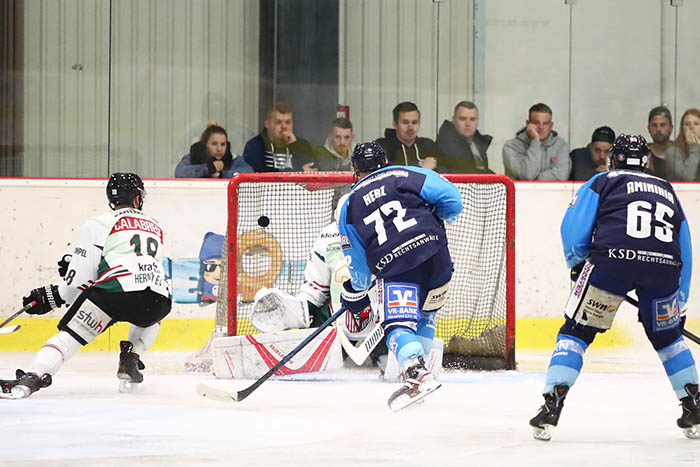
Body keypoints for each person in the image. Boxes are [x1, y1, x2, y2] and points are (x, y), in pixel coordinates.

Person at [529, 135, 700, 441]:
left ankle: (551, 406)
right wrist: (680, 302)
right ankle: (695, 406)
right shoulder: (667, 189)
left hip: (611, 263)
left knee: (576, 333)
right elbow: (684, 248)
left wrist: (578, 263)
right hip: (663, 270)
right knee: (669, 340)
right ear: (646, 161)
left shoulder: (603, 180)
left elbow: (573, 229)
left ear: (614, 159)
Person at [0, 173, 172, 399]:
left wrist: (52, 296)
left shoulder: (99, 223)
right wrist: (75, 263)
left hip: (116, 293)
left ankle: (33, 376)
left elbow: (78, 285)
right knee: (151, 301)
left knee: (69, 337)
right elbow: (133, 262)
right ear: (138, 198)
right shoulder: (155, 226)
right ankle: (131, 358)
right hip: (160, 299)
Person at [337, 142, 462, 411]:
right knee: (426, 315)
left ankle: (417, 374)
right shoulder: (407, 173)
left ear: (354, 170)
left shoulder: (349, 205)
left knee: (396, 325)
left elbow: (357, 261)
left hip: (396, 266)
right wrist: (437, 220)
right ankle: (423, 371)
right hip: (437, 256)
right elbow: (453, 199)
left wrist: (358, 288)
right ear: (385, 161)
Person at [502, 103, 570, 180]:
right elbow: (527, 175)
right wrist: (535, 141)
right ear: (528, 124)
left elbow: (561, 175)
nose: (541, 127)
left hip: (552, 192)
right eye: (536, 123)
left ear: (551, 126)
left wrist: (537, 180)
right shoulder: (511, 146)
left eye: (545, 123)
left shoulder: (561, 145)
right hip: (520, 192)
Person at [242, 102, 316, 172]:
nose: (284, 126)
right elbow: (259, 176)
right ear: (267, 124)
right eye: (278, 122)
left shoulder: (302, 145)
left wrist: (295, 146)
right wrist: (299, 172)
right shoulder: (255, 146)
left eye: (288, 122)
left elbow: (314, 170)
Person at [174, 122, 253, 178]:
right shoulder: (192, 158)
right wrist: (208, 169)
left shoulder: (234, 159)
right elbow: (180, 172)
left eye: (223, 144)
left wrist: (222, 175)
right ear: (205, 145)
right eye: (214, 144)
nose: (219, 149)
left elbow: (250, 173)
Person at [376, 102, 437, 170]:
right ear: (395, 124)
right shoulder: (382, 148)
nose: (410, 127)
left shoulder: (428, 146)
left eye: (414, 122)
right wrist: (422, 169)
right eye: (405, 122)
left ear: (419, 123)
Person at [436, 101, 493, 173]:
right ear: (453, 120)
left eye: (472, 119)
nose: (468, 124)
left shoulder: (477, 141)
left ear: (477, 120)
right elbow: (466, 171)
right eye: (462, 119)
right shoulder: (447, 143)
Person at [666, 108, 700, 181]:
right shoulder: (673, 152)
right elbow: (687, 178)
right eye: (687, 124)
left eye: (696, 123)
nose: (691, 127)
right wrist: (694, 147)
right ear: (682, 128)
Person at [647, 106, 674, 179]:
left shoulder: (682, 153)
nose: (658, 129)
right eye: (654, 125)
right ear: (649, 128)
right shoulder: (643, 154)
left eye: (663, 125)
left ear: (671, 128)